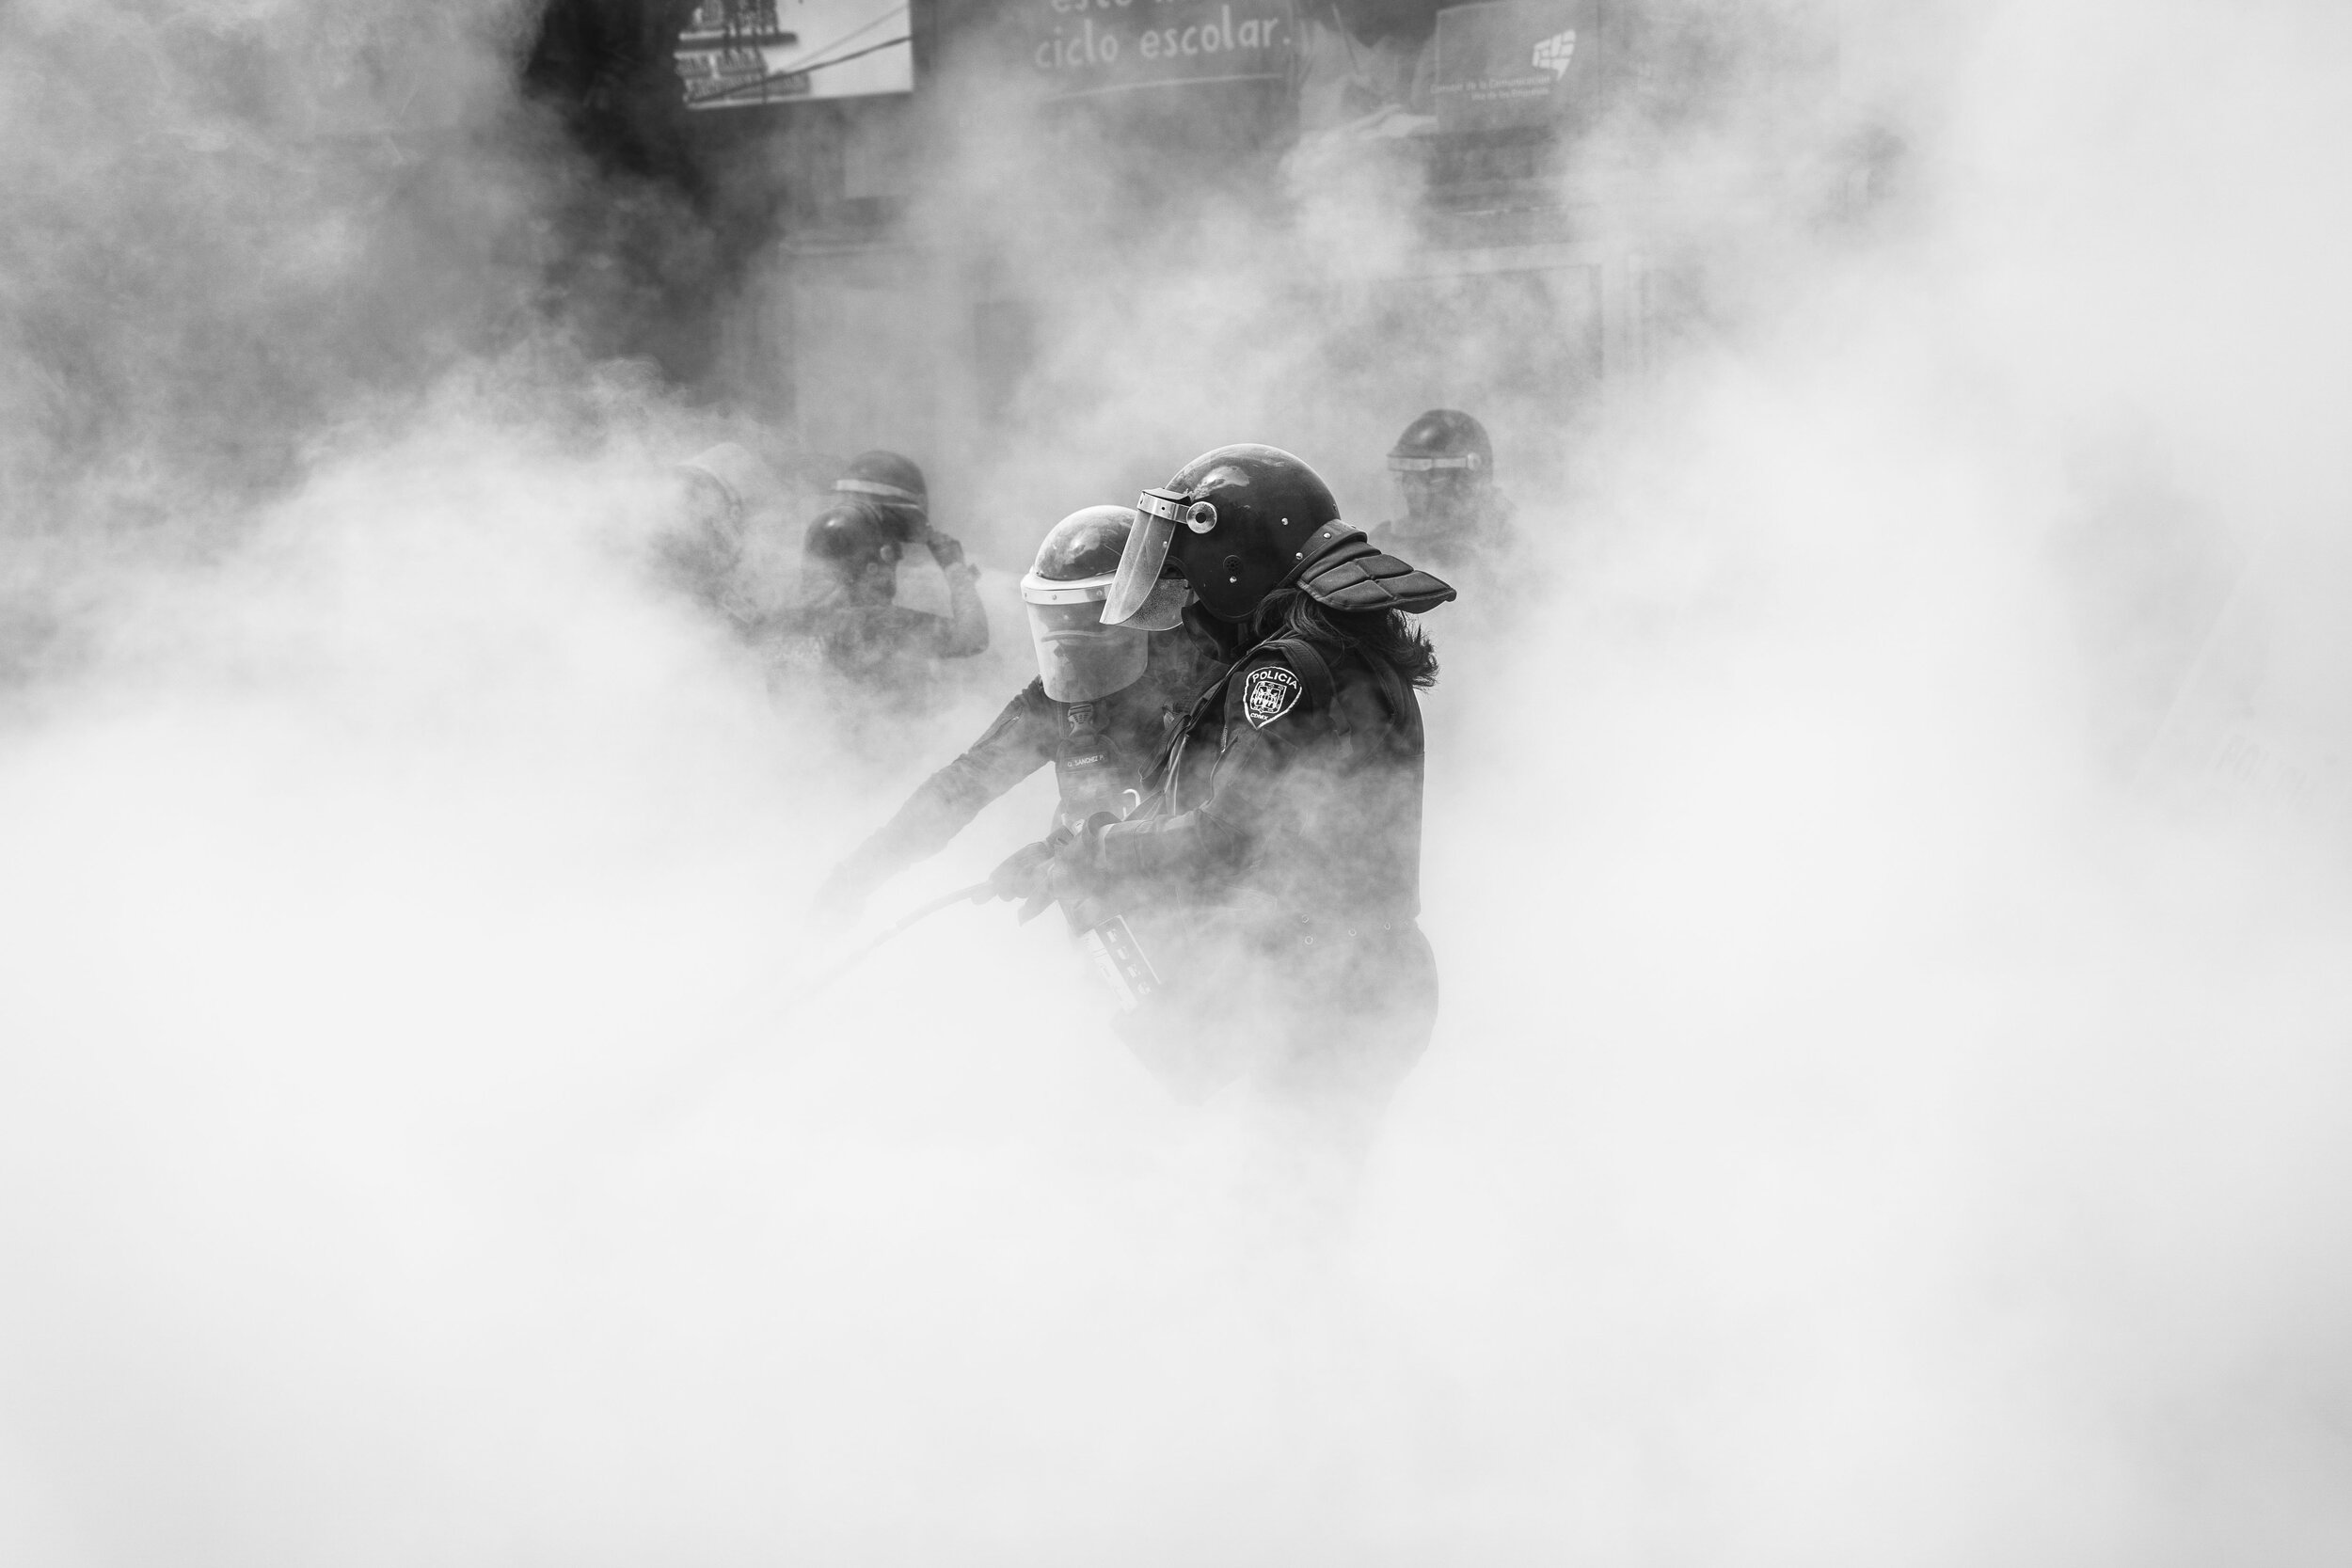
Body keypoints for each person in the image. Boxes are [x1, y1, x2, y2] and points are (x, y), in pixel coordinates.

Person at [1000, 444, 1455, 1153]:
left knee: (1280, 1217)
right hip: (1356, 979)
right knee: (1302, 1204)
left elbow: (1226, 836)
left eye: (1187, 577)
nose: (1185, 603)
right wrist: (1080, 842)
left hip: (1324, 992)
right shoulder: (1328, 651)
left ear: (1234, 566)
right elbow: (1232, 802)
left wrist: (1098, 856)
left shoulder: (1284, 673)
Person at [814, 506, 1216, 917]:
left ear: (1144, 607)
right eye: (1064, 622)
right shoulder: (1061, 695)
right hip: (1109, 911)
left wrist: (1060, 849)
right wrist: (861, 873)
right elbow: (963, 785)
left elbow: (1234, 820)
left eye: (1091, 622)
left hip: (1209, 907)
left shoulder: (1211, 668)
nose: (1072, 644)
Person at [791, 450, 990, 688]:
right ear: (872, 565)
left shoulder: (793, 624)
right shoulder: (875, 623)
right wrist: (954, 568)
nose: (893, 568)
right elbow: (973, 639)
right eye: (891, 555)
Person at [1367, 408, 1517, 588]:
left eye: (1427, 477)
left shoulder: (1505, 553)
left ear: (1467, 482)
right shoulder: (1383, 544)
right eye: (1405, 476)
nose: (1410, 488)